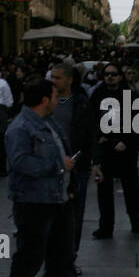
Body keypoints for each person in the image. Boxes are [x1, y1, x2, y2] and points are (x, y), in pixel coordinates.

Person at [3, 75, 83, 277]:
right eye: (55, 96)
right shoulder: (20, 128)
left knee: (62, 255)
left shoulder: (48, 122)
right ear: (44, 99)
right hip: (33, 202)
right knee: (29, 256)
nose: (59, 100)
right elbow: (20, 162)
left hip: (59, 199)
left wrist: (70, 186)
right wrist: (59, 166)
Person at [89, 62, 139, 238]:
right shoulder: (97, 95)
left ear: (120, 76)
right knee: (104, 190)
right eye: (106, 74)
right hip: (106, 150)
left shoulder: (131, 96)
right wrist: (104, 141)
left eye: (113, 74)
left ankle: (135, 219)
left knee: (131, 188)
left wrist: (126, 141)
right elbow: (92, 122)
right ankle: (106, 226)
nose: (109, 77)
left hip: (127, 150)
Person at [48, 63, 93, 263]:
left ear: (69, 79)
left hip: (77, 166)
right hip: (50, 166)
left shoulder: (81, 102)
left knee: (75, 214)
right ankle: (53, 257)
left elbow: (90, 134)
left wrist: (94, 161)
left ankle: (70, 258)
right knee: (51, 213)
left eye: (57, 78)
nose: (53, 81)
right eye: (52, 77)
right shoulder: (46, 102)